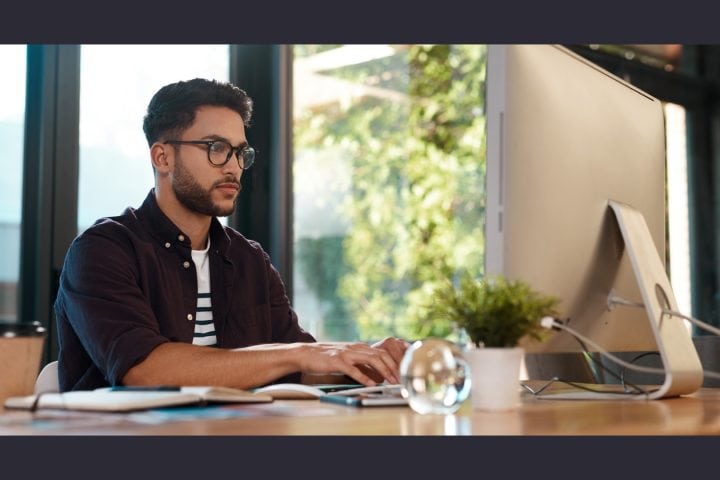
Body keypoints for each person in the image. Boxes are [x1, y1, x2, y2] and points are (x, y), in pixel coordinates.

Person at [54, 78, 408, 392]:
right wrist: (299, 355)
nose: (233, 166)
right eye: (216, 148)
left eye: (240, 152)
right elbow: (145, 371)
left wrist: (372, 361)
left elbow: (301, 368)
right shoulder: (103, 251)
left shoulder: (249, 259)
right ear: (163, 157)